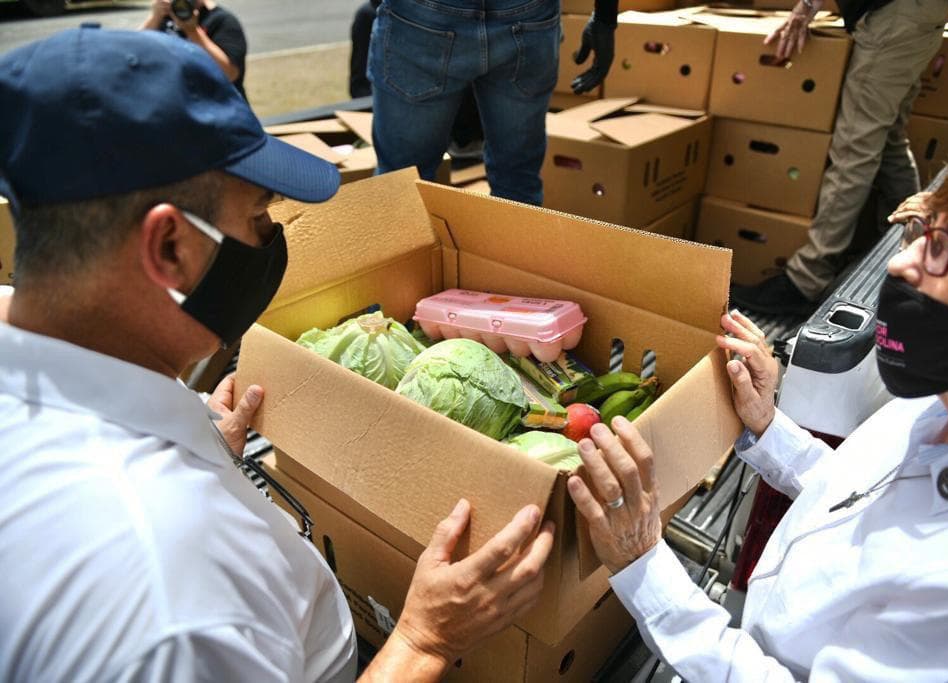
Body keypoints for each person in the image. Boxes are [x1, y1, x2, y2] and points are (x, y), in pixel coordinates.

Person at [0, 27, 554, 682]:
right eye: (258, 217)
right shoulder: (175, 595)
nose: (270, 238)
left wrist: (201, 445)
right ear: (170, 247)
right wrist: (424, 641)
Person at [567, 126, 948, 679]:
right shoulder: (942, 403)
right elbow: (854, 495)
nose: (902, 264)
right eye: (924, 230)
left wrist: (643, 565)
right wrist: (766, 425)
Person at [731, 0, 948, 316]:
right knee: (888, 138)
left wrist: (807, 6)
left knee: (854, 149)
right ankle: (905, 243)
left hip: (895, 15)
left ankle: (806, 278)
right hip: (918, 14)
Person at [368, 0, 619, 206]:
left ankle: (402, 252)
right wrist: (605, 18)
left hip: (424, 16)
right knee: (517, 183)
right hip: (528, 14)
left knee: (401, 183)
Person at [142, 0, 249, 100]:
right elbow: (136, 53)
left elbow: (229, 74)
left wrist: (193, 32)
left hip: (216, 105)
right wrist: (155, 17)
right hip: (177, 103)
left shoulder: (221, 20)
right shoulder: (165, 17)